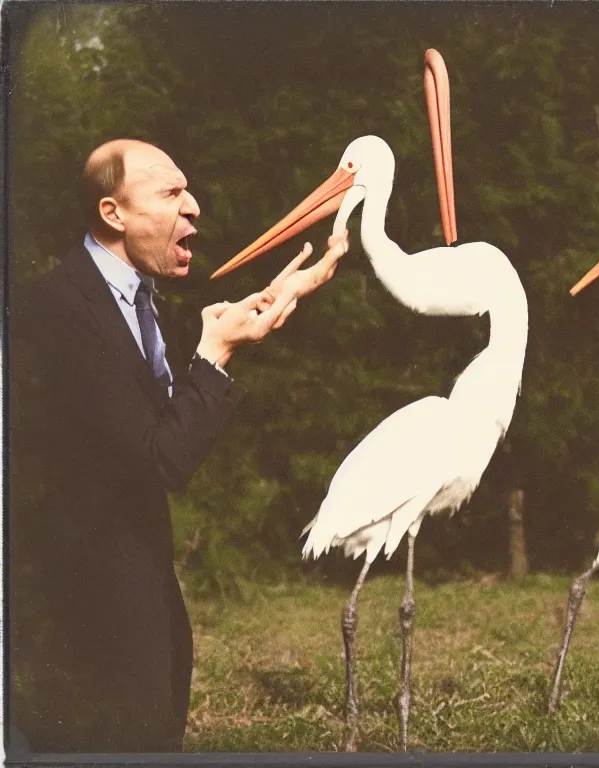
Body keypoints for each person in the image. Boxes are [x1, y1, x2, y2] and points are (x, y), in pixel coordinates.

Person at [8, 139, 349, 753]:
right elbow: (164, 457)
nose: (193, 207)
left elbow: (160, 431)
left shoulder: (132, 299)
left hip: (138, 593)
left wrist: (246, 322)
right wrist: (216, 354)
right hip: (85, 620)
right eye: (171, 193)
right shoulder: (57, 311)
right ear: (114, 214)